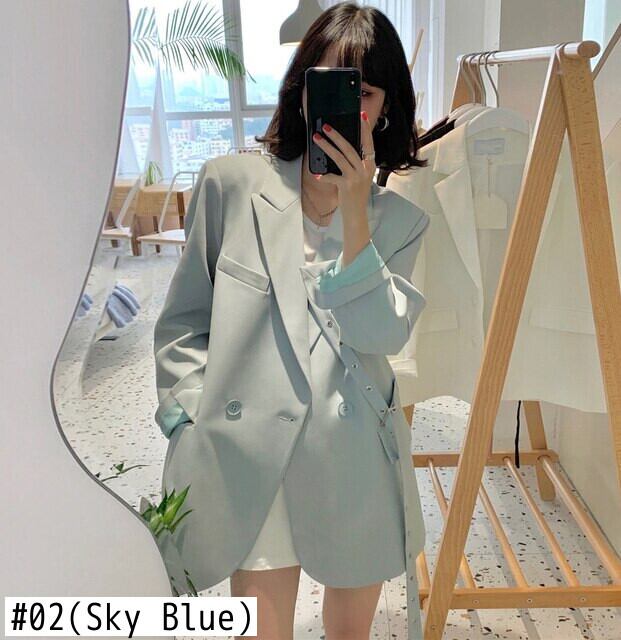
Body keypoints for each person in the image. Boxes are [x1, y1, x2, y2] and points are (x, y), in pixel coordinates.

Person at [153, 3, 429, 639]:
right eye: (327, 82)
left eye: (363, 92)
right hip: (250, 458)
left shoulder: (400, 222)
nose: (346, 105)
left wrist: (356, 213)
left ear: (386, 108)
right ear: (302, 91)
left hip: (351, 459)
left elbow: (380, 335)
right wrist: (186, 418)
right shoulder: (229, 186)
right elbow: (184, 321)